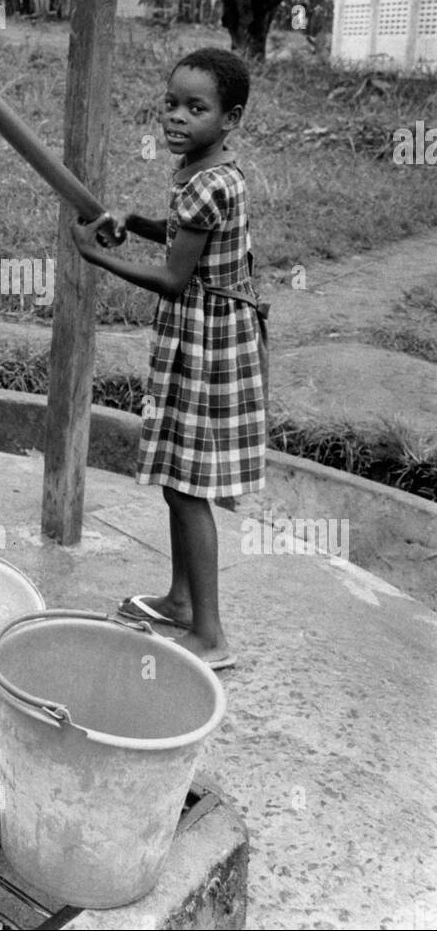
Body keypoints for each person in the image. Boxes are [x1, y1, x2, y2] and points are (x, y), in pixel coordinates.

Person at [71, 47, 267, 670]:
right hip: (205, 333)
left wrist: (97, 257)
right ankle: (182, 602)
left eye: (196, 108)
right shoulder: (206, 170)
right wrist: (135, 221)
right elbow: (187, 238)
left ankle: (210, 636)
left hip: (209, 344)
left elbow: (175, 279)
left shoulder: (209, 182)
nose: (176, 117)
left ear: (230, 118)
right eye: (171, 103)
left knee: (188, 489)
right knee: (178, 484)